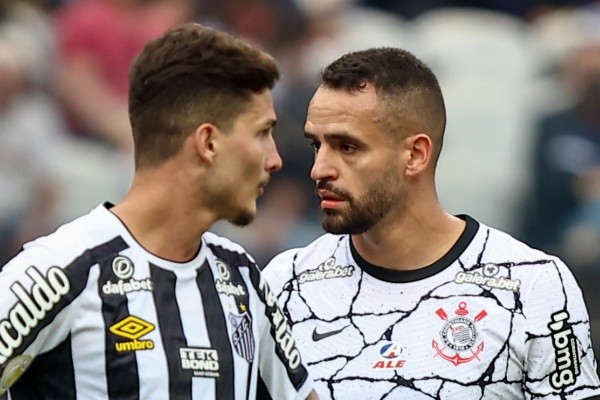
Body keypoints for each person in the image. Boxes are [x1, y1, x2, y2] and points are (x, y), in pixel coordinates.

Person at [0, 22, 318, 400]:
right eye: (262, 133)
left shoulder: (243, 278)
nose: (275, 159)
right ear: (208, 143)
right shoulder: (61, 271)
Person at [262, 47, 600, 399]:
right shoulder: (285, 285)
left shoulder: (531, 285)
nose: (319, 169)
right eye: (316, 145)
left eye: (347, 147)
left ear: (415, 155)